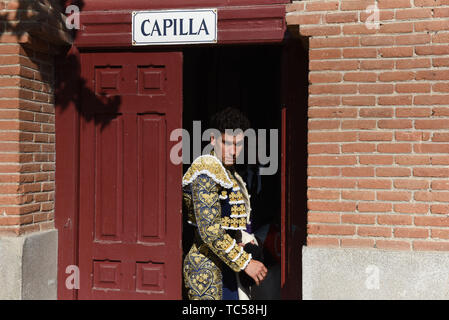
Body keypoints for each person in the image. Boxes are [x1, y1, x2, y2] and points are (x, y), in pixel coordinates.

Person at [182, 107, 268, 300]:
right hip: (207, 270)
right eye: (227, 143)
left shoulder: (229, 172)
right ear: (213, 139)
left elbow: (230, 223)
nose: (232, 150)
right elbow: (210, 231)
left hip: (229, 266)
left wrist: (243, 240)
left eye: (238, 144)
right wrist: (246, 263)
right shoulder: (205, 171)